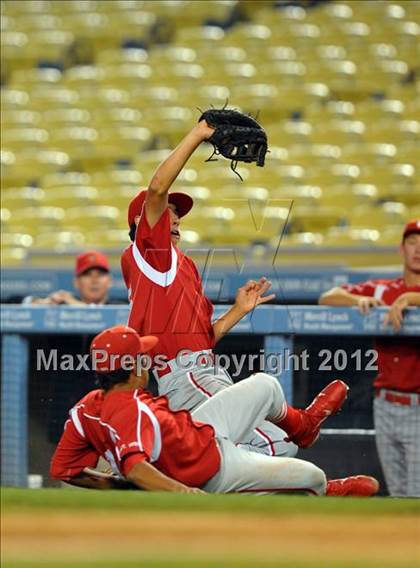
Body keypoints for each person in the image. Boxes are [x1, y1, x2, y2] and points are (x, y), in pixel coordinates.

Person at [121, 118, 295, 459]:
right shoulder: (150, 253)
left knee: (228, 454)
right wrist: (198, 134)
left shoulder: (178, 268)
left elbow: (203, 339)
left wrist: (238, 311)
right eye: (168, 212)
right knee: (276, 443)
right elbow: (157, 188)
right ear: (142, 224)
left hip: (201, 373)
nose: (176, 218)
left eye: (177, 214)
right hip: (189, 378)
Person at [50, 325, 379, 497]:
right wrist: (180, 493)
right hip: (213, 468)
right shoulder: (128, 411)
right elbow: (134, 466)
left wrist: (119, 489)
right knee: (312, 477)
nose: (148, 360)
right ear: (134, 367)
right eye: (143, 356)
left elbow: (62, 469)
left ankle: (303, 425)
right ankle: (327, 491)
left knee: (264, 385)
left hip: (198, 428)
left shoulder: (86, 408)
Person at [319, 220, 420, 497]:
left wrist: (410, 298)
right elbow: (327, 297)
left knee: (416, 498)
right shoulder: (383, 289)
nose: (418, 249)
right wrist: (357, 302)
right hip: (385, 403)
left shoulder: (407, 294)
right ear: (402, 248)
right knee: (399, 497)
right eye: (412, 242)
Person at [25, 250, 113, 305]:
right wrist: (46, 302)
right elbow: (20, 302)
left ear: (110, 281)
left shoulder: (121, 307)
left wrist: (76, 306)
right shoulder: (65, 304)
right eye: (87, 274)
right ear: (76, 282)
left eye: (100, 274)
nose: (94, 280)